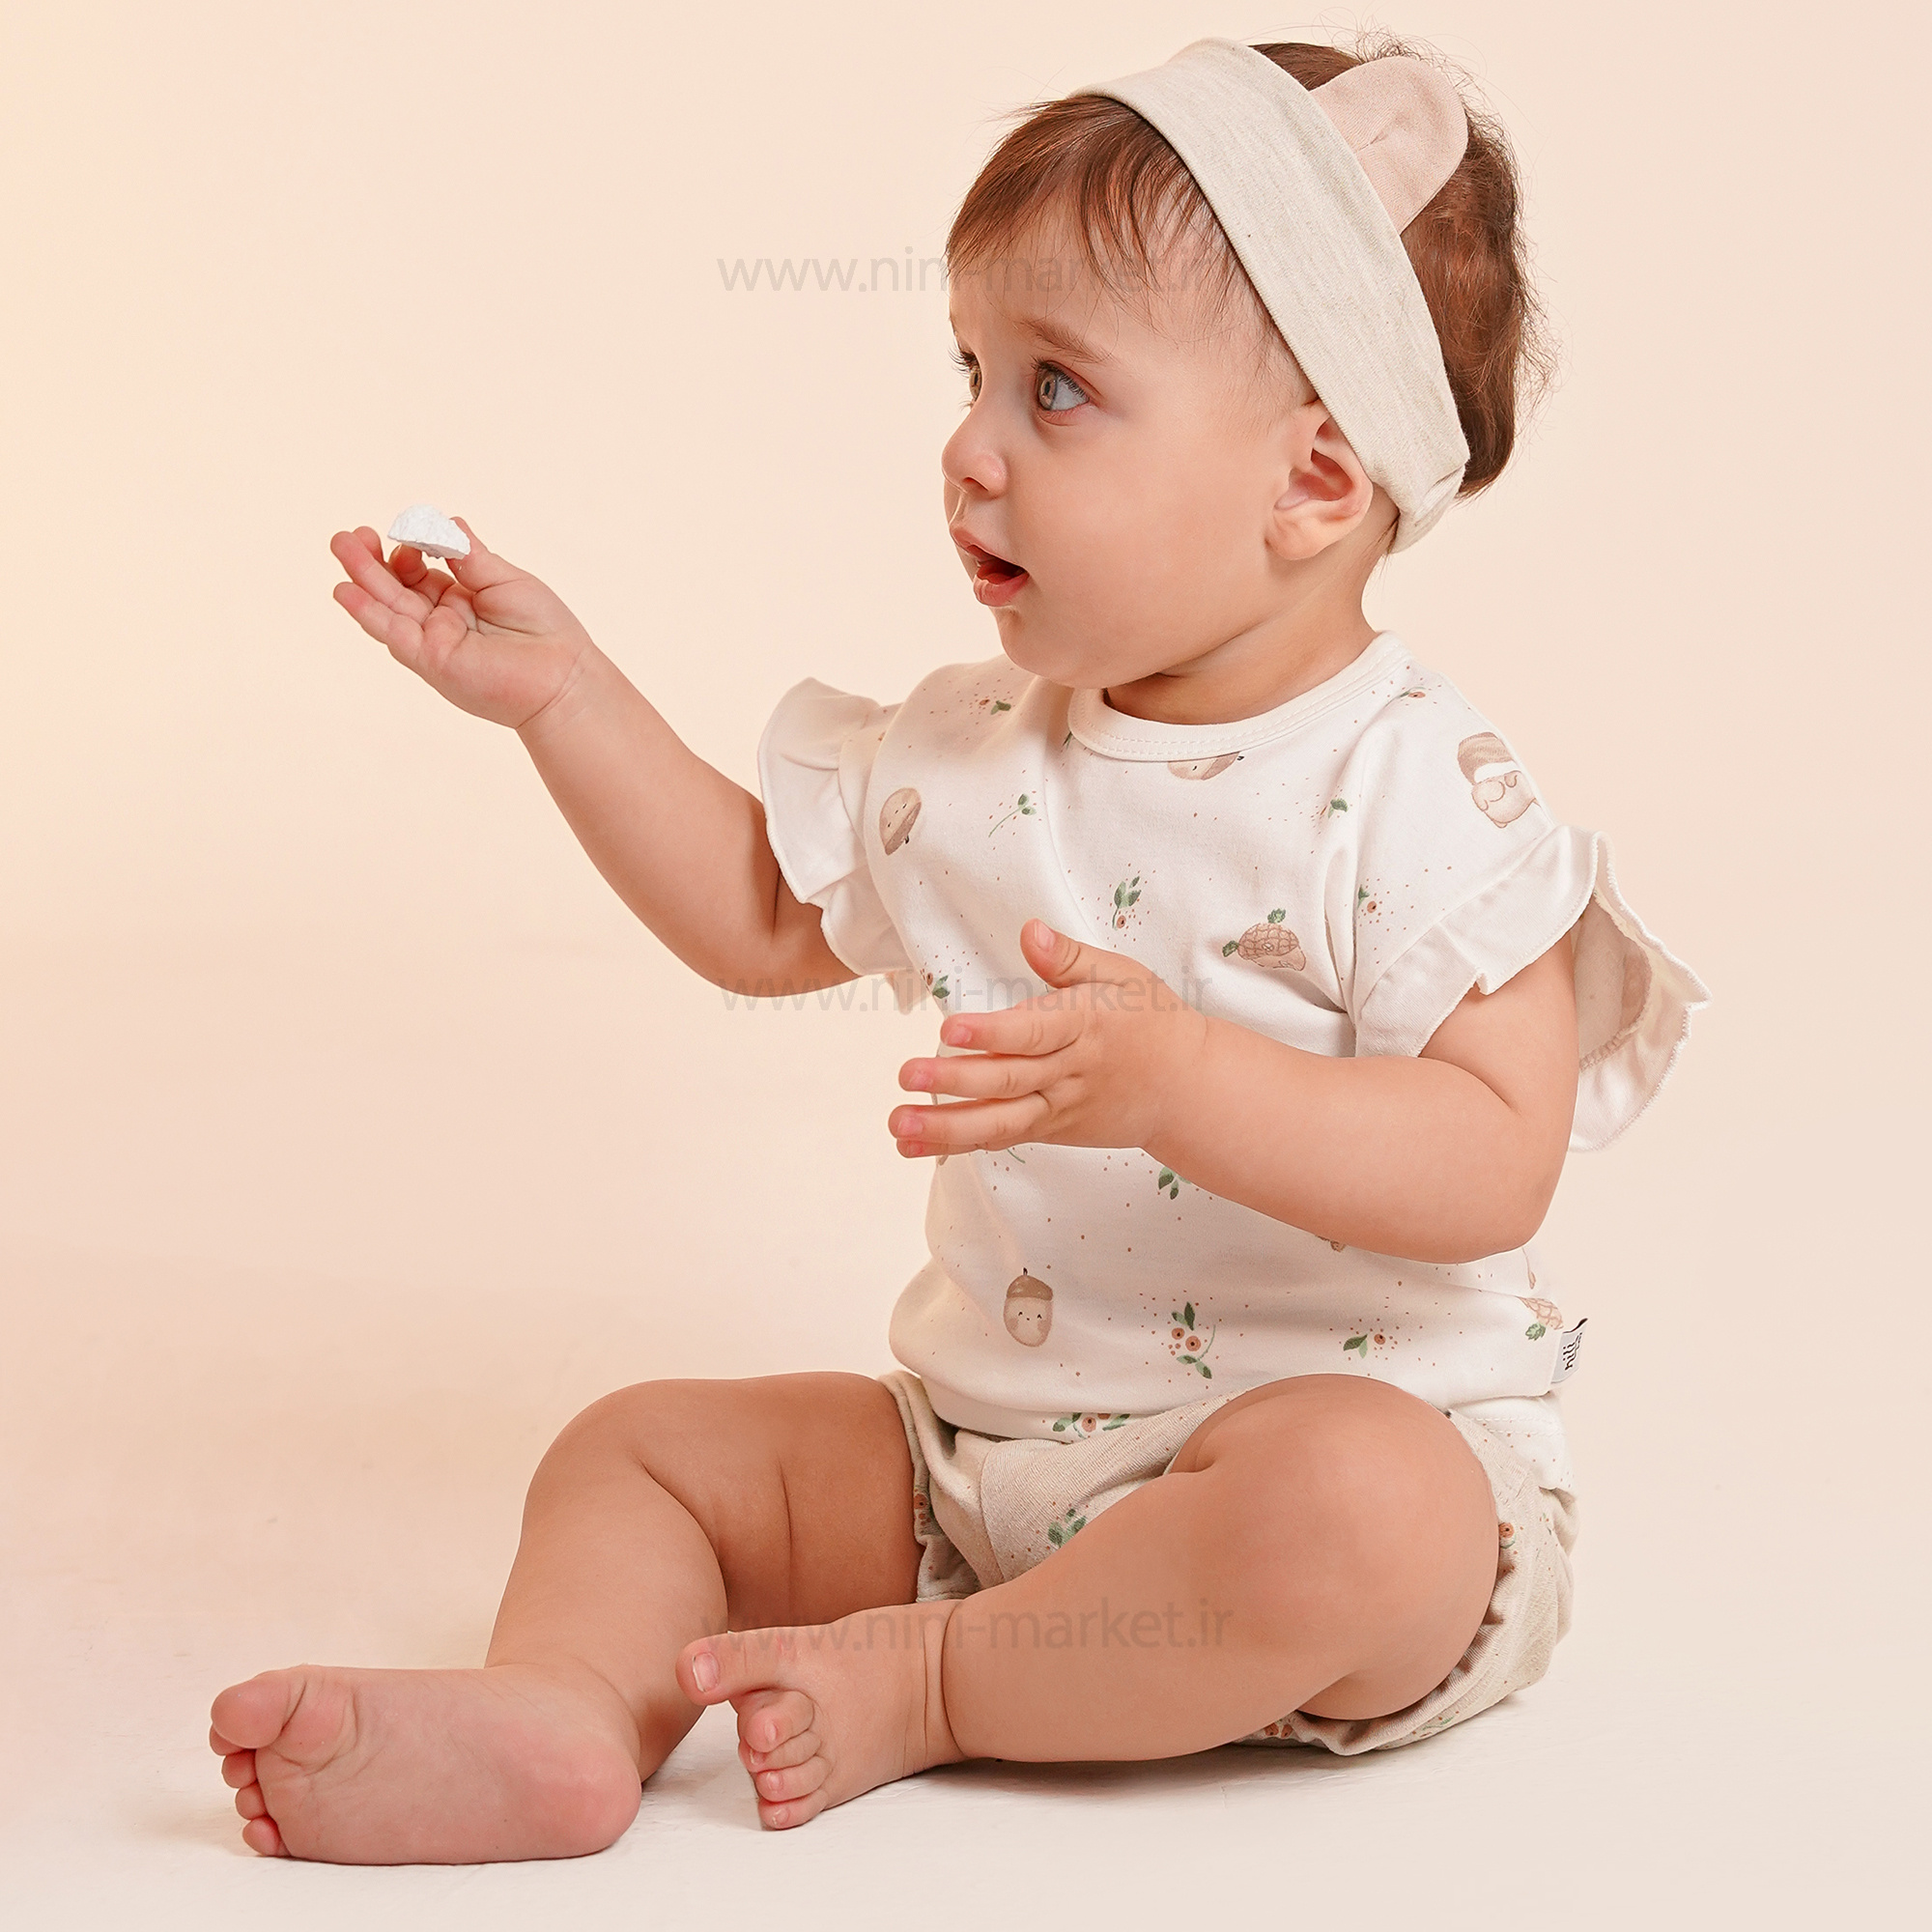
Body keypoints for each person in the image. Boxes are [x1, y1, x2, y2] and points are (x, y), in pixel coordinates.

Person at [210, 35, 1706, 1861]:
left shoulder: (1415, 791)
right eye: (972, 371)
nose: (967, 450)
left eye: (1055, 390)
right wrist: (564, 700)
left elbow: (1494, 1158)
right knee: (640, 1447)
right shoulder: (975, 752)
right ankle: (569, 1709)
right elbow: (762, 915)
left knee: (1366, 1512)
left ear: (1314, 484)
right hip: (984, 1467)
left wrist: (1183, 1080)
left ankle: (933, 1684)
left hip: (1315, 1483)